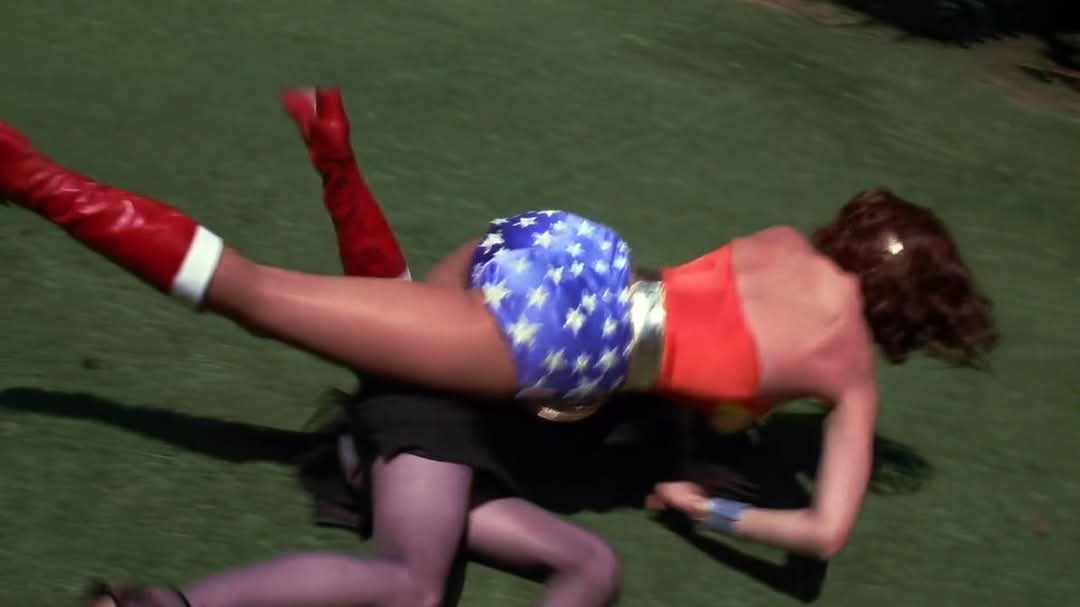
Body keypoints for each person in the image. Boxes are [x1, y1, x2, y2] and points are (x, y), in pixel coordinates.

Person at [0, 86, 998, 567]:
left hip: (564, 247)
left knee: (398, 327)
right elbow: (822, 532)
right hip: (570, 337)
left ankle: (339, 163)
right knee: (258, 296)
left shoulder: (781, 241)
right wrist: (703, 507)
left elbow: (722, 336)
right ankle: (33, 179)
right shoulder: (849, 370)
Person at [82, 89, 630, 607]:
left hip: (463, 437)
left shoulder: (566, 297)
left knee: (593, 565)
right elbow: (401, 304)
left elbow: (398, 294)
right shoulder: (517, 317)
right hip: (428, 422)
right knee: (414, 589)